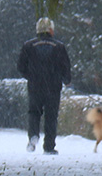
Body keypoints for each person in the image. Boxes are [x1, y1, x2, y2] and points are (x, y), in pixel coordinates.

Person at [17, 17, 72, 154]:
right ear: (51, 30)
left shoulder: (28, 46)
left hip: (35, 86)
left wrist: (31, 76)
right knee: (51, 117)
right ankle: (49, 146)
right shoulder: (59, 47)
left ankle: (33, 136)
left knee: (34, 113)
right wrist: (66, 80)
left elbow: (20, 67)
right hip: (53, 88)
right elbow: (65, 67)